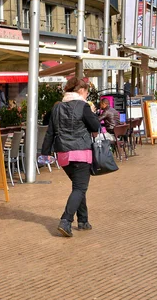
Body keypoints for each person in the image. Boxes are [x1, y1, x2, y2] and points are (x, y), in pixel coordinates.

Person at [41, 77, 101, 238]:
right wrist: (93, 114)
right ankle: (66, 220)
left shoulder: (57, 107)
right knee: (80, 188)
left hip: (63, 154)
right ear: (81, 91)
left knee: (78, 187)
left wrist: (44, 153)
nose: (87, 95)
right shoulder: (83, 106)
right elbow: (95, 126)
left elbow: (50, 132)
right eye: (86, 92)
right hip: (81, 152)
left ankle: (83, 220)